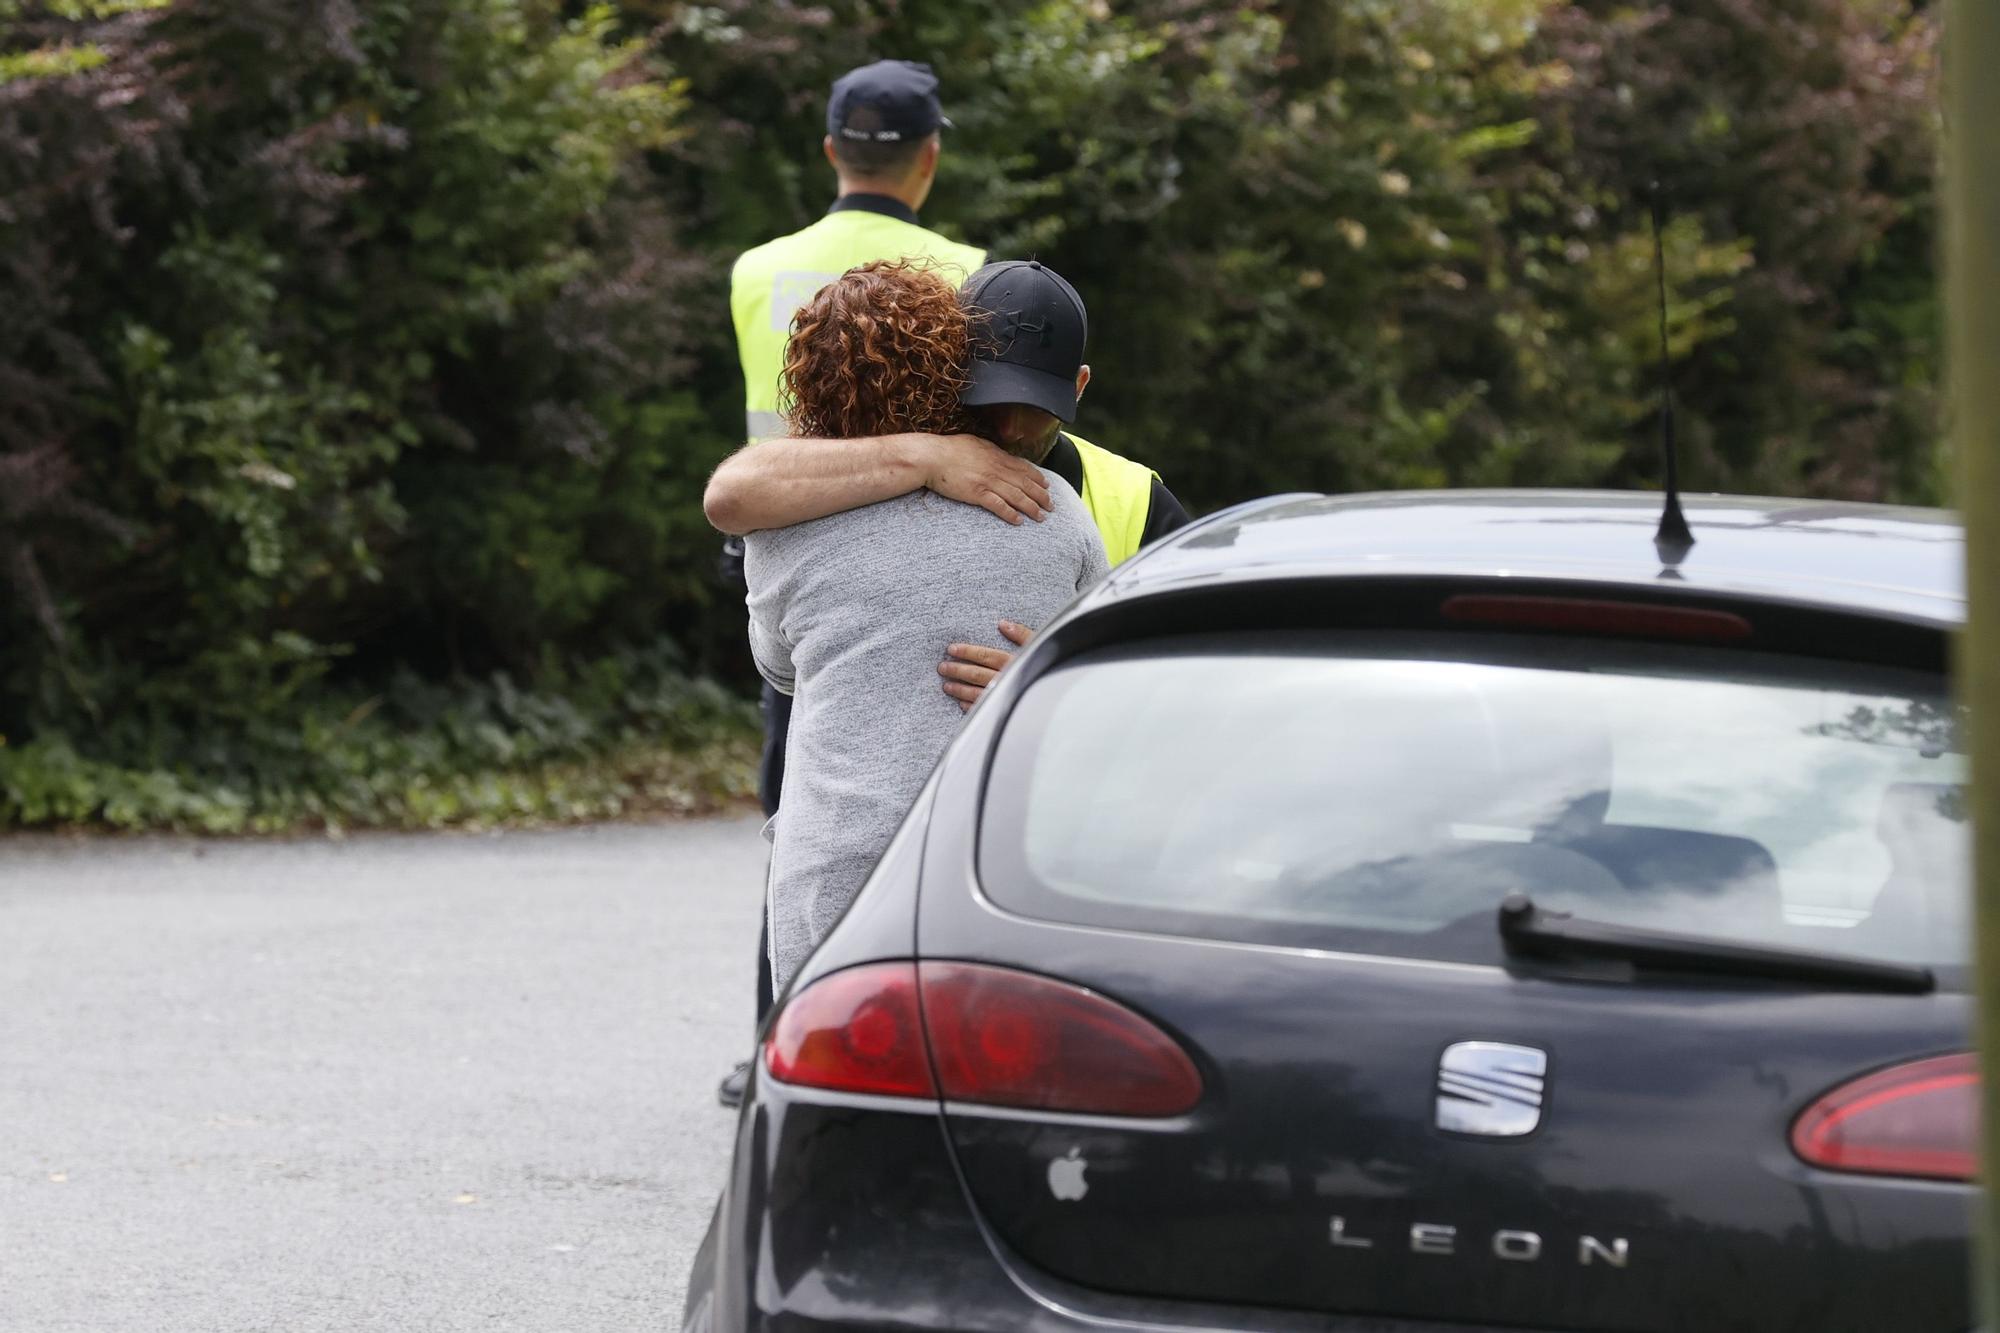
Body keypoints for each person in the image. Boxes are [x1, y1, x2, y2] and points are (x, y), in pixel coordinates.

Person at [744, 260, 1107, 997]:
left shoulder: (781, 523)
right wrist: (1047, 684)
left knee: (832, 1095)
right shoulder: (1058, 508)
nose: (1011, 427)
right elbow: (1115, 680)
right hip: (995, 874)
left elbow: (778, 665)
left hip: (832, 881)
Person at [706, 258, 1195, 713]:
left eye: (1038, 407)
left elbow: (1202, 671)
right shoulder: (894, 467)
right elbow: (732, 493)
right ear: (946, 372)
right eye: (990, 402)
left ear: (1080, 386)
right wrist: (925, 456)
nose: (1011, 431)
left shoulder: (1135, 498)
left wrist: (1061, 685)